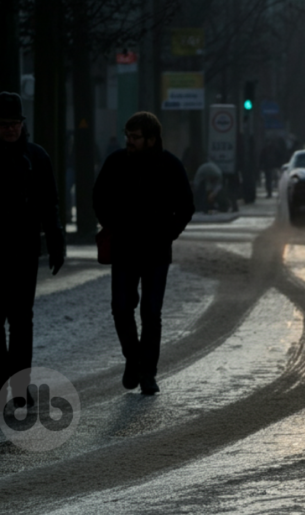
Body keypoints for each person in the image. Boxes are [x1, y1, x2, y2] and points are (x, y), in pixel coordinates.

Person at [0, 92, 66, 411]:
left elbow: (49, 202)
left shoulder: (31, 157)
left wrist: (56, 238)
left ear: (21, 124)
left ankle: (14, 386)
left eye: (14, 124)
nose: (10, 129)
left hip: (19, 248)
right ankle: (1, 387)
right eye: (5, 124)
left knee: (17, 319)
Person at [93, 112, 194, 395]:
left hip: (156, 251)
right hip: (124, 248)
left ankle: (147, 372)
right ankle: (133, 358)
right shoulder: (116, 162)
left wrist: (168, 233)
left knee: (151, 312)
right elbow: (98, 196)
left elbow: (186, 206)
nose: (129, 142)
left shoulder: (170, 165)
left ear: (151, 139)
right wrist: (111, 225)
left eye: (135, 137)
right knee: (121, 307)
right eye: (128, 136)